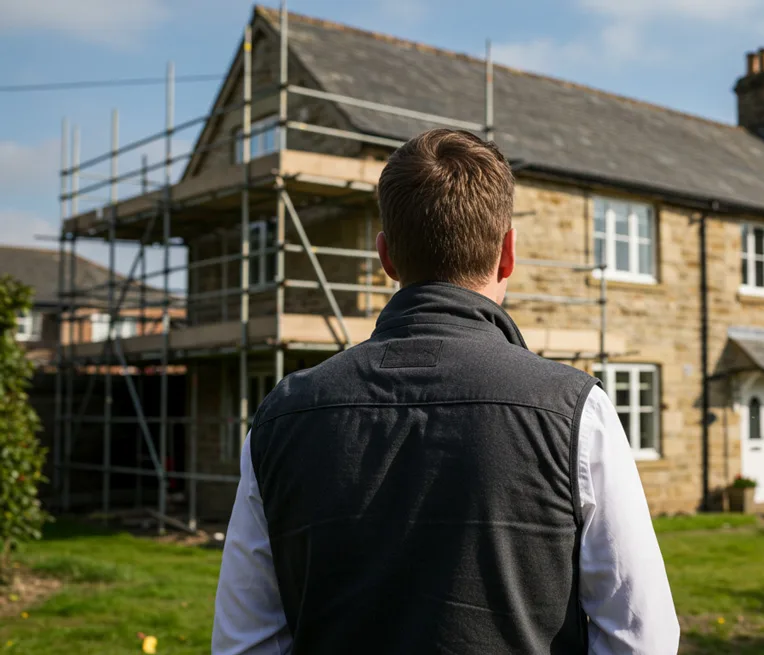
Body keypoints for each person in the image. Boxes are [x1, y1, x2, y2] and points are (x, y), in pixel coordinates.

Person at [212, 128, 679, 654]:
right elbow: (641, 634)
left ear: (385, 257)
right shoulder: (575, 410)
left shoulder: (282, 414)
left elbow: (245, 640)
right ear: (508, 254)